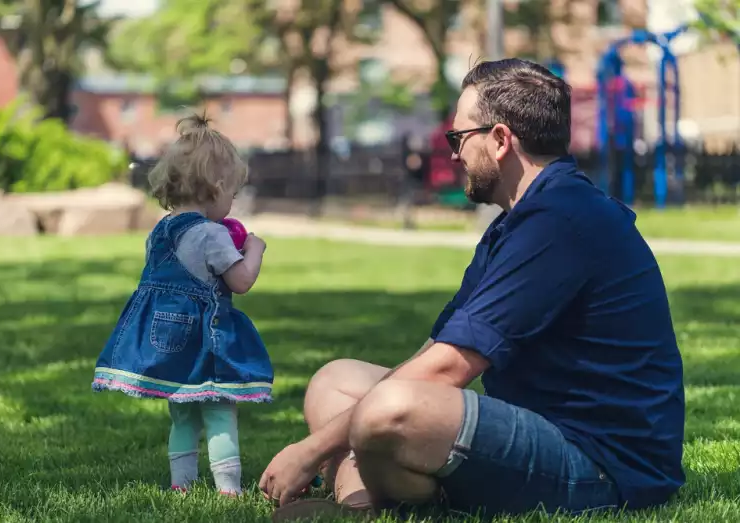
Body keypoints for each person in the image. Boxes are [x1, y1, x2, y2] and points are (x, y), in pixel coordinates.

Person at [261, 58, 686, 521]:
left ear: (500, 139)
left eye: (458, 137)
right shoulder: (519, 222)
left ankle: (397, 499)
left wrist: (310, 451)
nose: (453, 154)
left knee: (389, 409)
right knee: (336, 382)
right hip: (541, 428)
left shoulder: (562, 221)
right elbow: (435, 352)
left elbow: (448, 370)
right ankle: (361, 507)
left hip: (602, 466)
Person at [92, 114, 273, 496]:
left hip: (167, 342)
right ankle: (228, 489)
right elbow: (241, 281)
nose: (232, 202)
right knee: (220, 410)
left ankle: (182, 485)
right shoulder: (211, 235)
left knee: (183, 415)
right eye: (233, 194)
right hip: (204, 344)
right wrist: (254, 249)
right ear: (217, 186)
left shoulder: (159, 230)